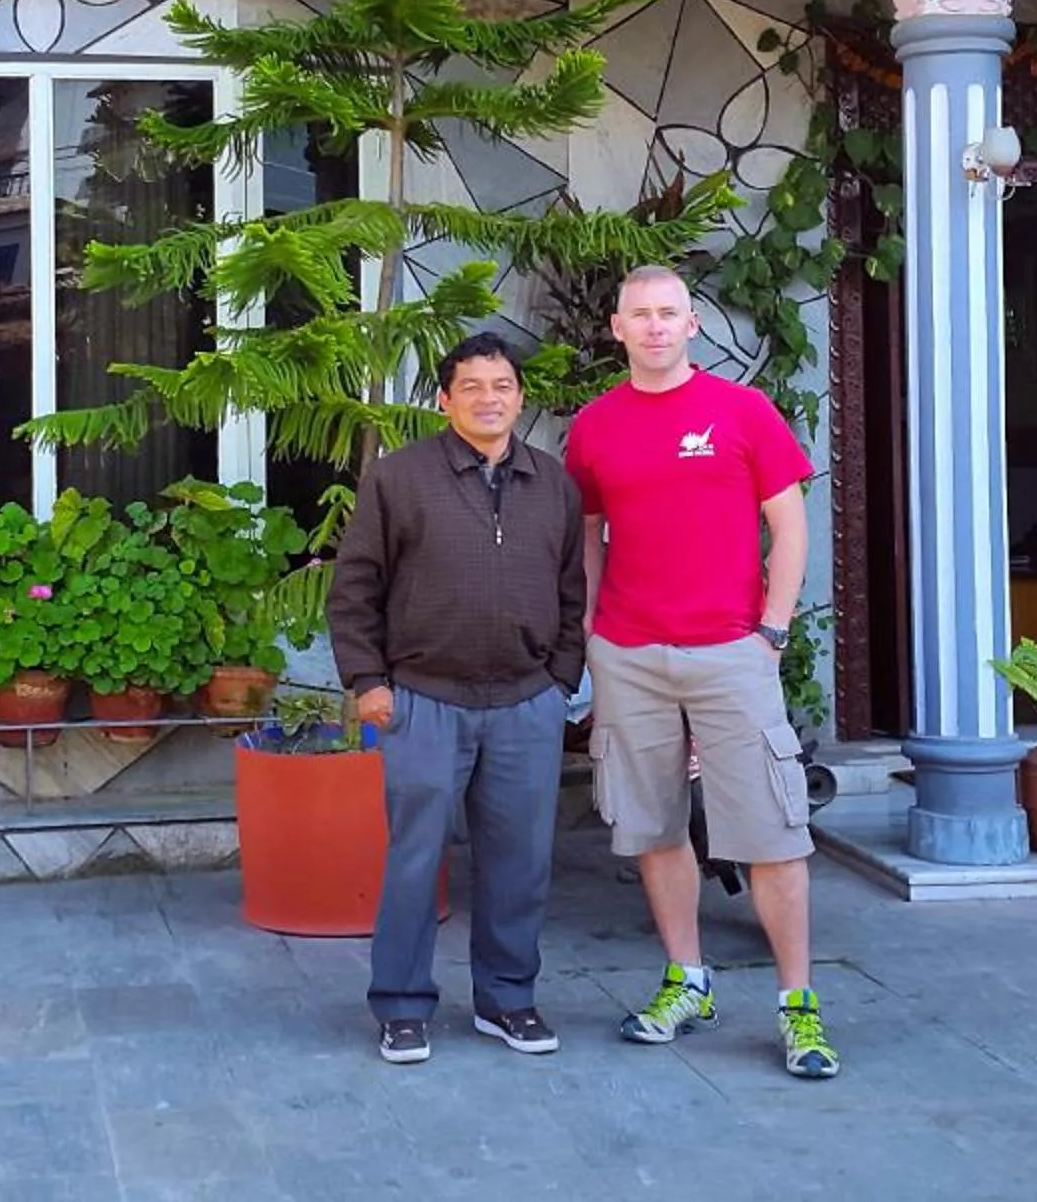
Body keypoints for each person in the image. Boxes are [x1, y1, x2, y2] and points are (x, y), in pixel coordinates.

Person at [564, 265, 836, 1081]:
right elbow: (588, 535)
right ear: (617, 328)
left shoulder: (741, 412)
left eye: (668, 314)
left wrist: (773, 631)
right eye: (639, 314)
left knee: (773, 834)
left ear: (691, 325)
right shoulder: (594, 427)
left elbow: (789, 525)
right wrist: (589, 627)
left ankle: (798, 1007)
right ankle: (688, 980)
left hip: (732, 652)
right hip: (629, 653)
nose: (654, 327)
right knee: (652, 826)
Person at [330, 330, 587, 1067]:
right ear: (444, 400)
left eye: (501, 385)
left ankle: (508, 1000)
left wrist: (559, 680)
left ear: (520, 396)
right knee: (416, 859)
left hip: (525, 703)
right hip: (424, 700)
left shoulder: (553, 483)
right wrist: (367, 681)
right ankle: (403, 1006)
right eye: (471, 386)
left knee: (520, 860)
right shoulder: (400, 479)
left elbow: (573, 590)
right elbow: (356, 587)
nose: (488, 398)